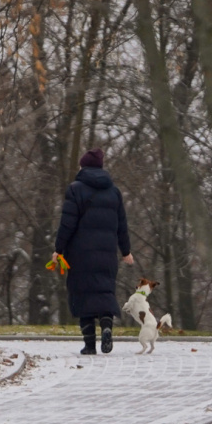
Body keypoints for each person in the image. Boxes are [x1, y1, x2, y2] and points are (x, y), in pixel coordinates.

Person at [54, 148, 134, 355]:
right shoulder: (114, 192)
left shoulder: (75, 189)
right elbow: (121, 225)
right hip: (106, 253)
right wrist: (126, 251)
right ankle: (107, 326)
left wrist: (58, 249)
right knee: (104, 291)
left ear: (82, 167)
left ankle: (89, 345)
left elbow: (67, 223)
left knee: (83, 294)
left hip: (80, 253)